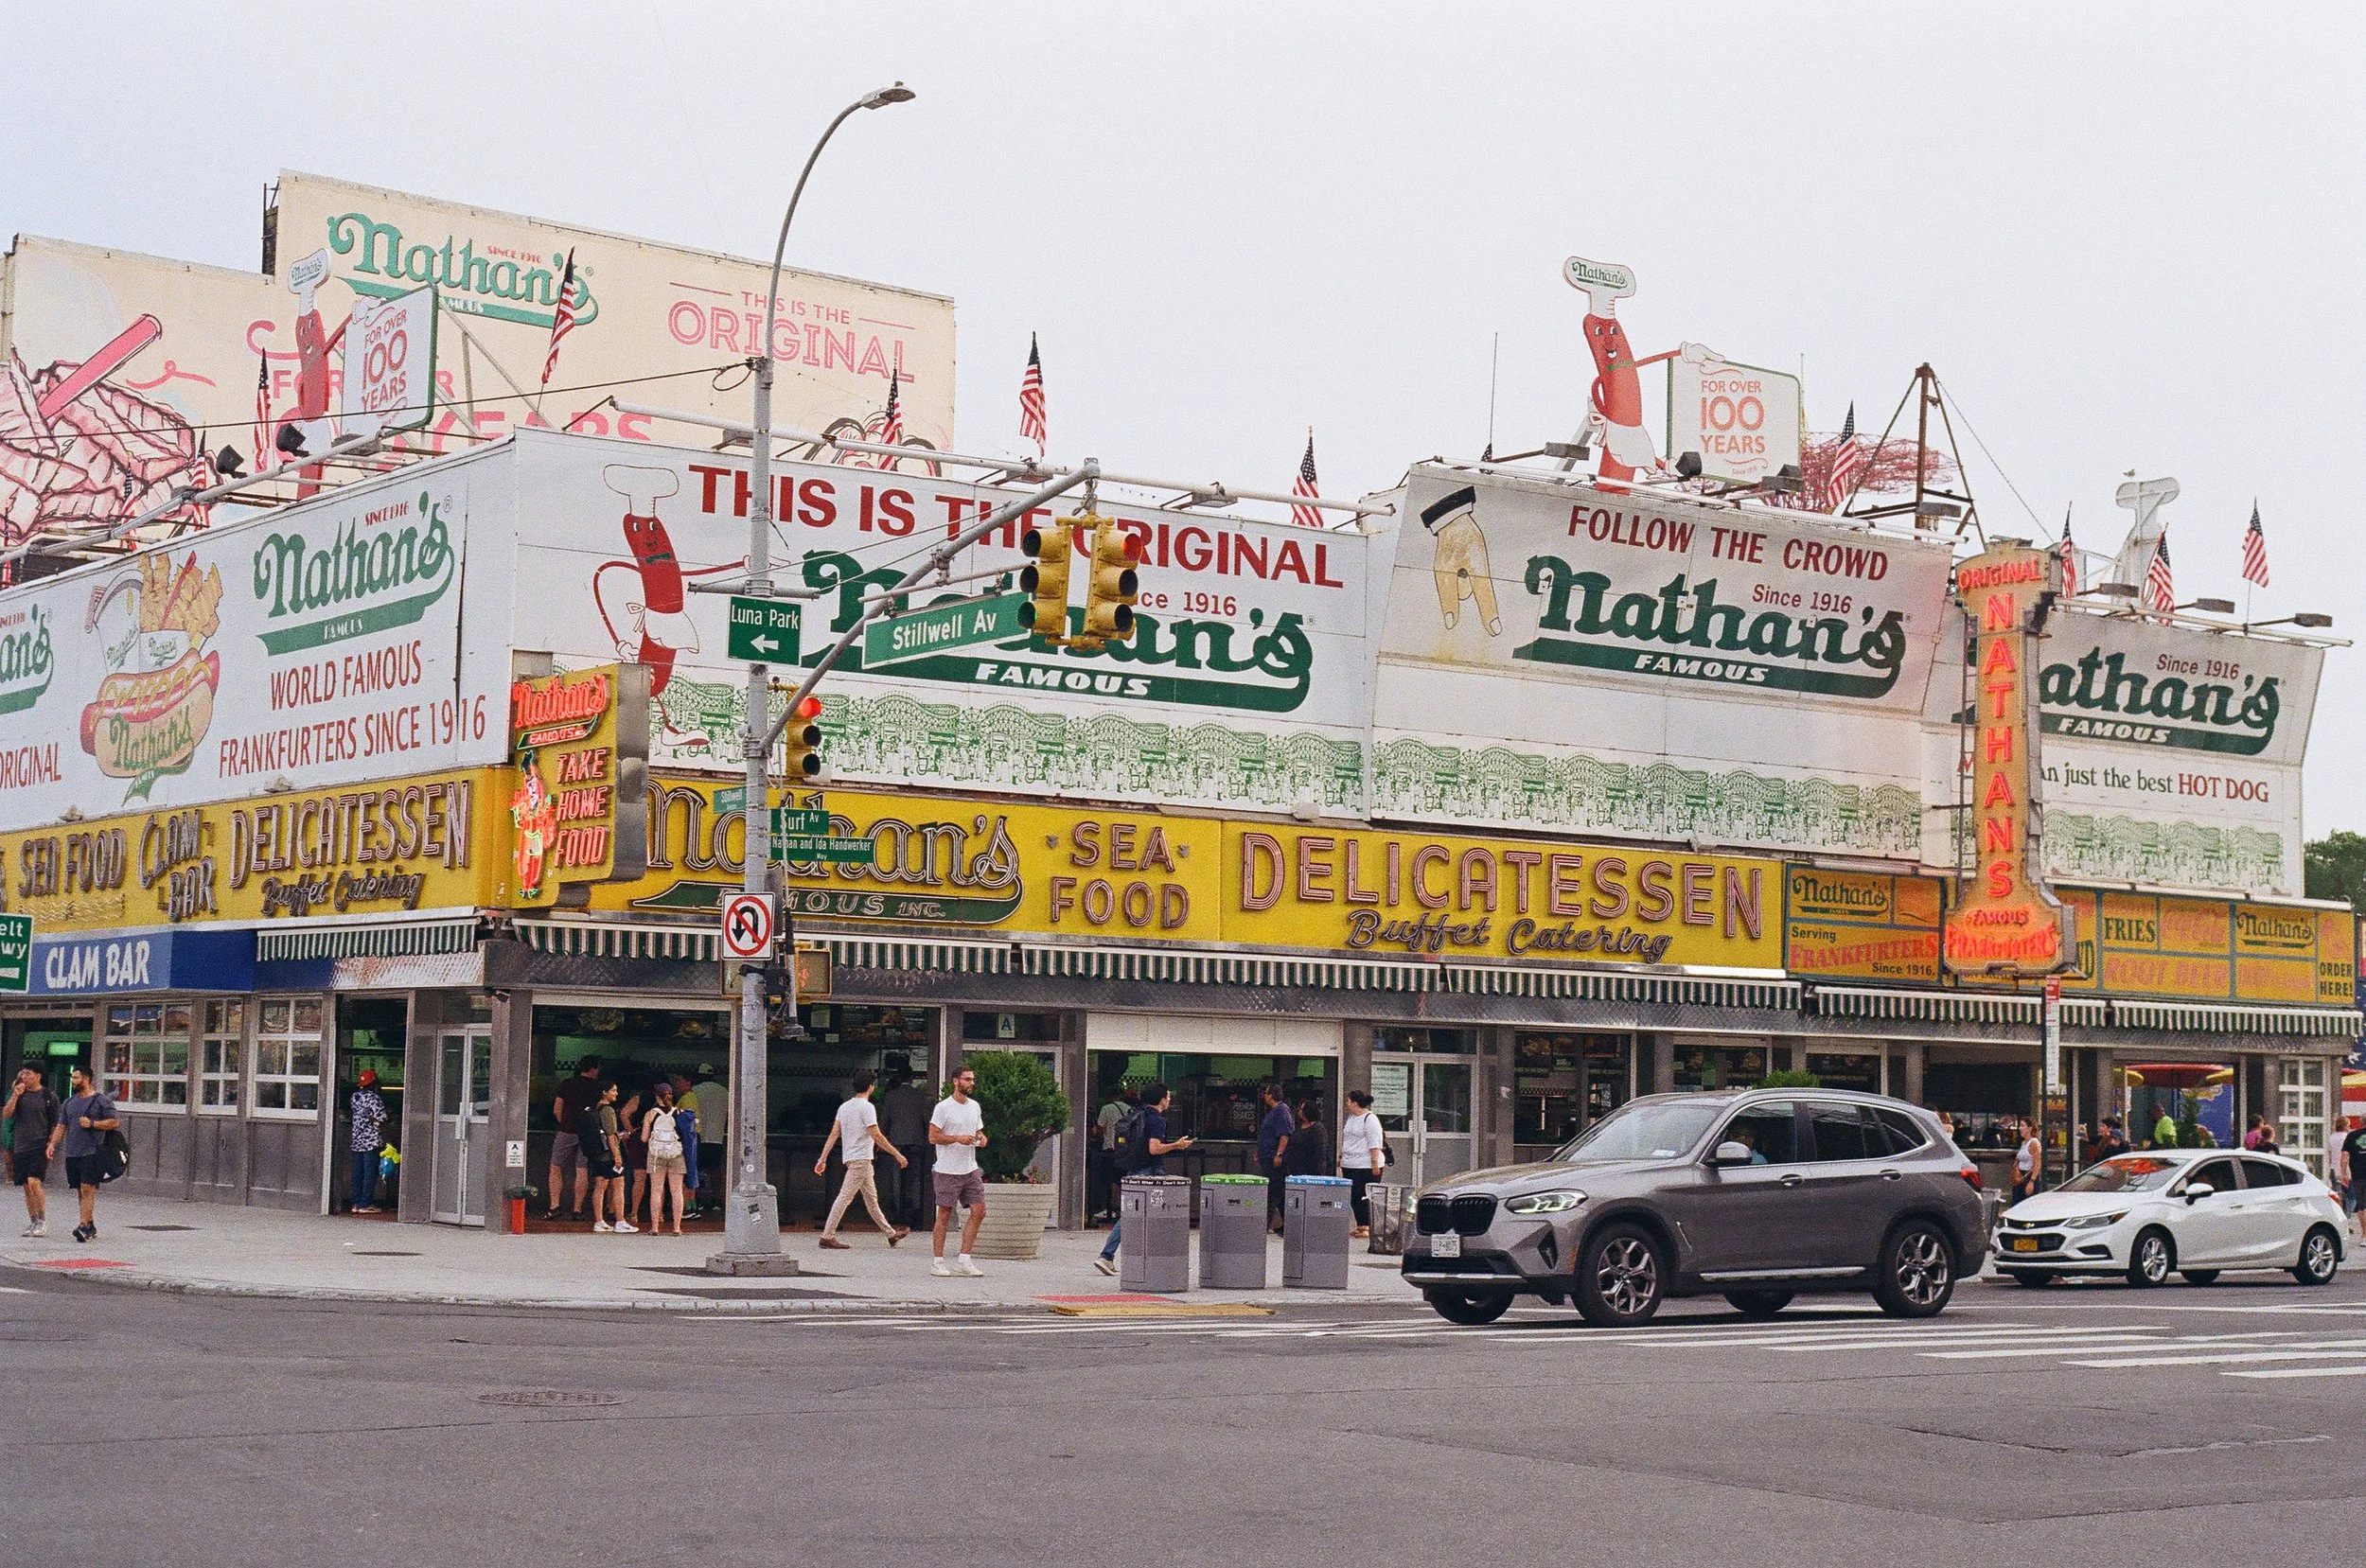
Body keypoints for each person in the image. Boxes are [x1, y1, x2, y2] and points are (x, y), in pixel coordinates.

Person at [1095, 1082, 1193, 1277]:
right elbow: (1154, 1148)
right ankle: (1173, 1261)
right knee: (1162, 1216)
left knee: (1133, 1215)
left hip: (1133, 1170)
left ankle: (1108, 1256)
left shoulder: (1137, 1114)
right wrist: (1177, 1145)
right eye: (1168, 1096)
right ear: (1161, 1100)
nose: (1169, 1100)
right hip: (1150, 1173)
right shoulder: (1157, 1120)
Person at [815, 1069, 910, 1250]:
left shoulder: (844, 1107)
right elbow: (875, 1134)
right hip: (861, 1158)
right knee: (845, 1197)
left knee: (871, 1199)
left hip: (854, 1157)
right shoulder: (867, 1107)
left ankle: (891, 1234)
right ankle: (827, 1235)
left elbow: (834, 1134)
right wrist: (897, 1154)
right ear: (871, 1087)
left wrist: (822, 1158)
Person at [928, 1067, 989, 1277]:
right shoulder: (943, 1108)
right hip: (947, 1169)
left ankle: (964, 1258)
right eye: (967, 1079)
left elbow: (978, 1130)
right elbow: (933, 1136)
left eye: (973, 1079)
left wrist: (981, 1138)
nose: (971, 1083)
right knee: (944, 1213)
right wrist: (956, 1138)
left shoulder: (975, 1106)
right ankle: (938, 1261)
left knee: (979, 1211)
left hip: (970, 1168)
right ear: (956, 1081)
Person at [47, 1066, 117, 1244]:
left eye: (76, 1078)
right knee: (80, 1189)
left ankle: (83, 1226)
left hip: (92, 1151)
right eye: (73, 1078)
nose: (73, 1081)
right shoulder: (69, 1103)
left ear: (86, 1079)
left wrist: (92, 1124)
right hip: (73, 1152)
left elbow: (114, 1122)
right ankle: (89, 1223)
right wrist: (52, 1145)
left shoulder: (101, 1100)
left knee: (88, 1188)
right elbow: (61, 1126)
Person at [548, 1055, 604, 1221]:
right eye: (598, 1069)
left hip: (566, 1130)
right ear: (593, 1069)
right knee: (582, 1171)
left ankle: (554, 1206)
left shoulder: (567, 1084)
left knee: (555, 1166)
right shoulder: (598, 1088)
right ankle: (577, 1210)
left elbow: (557, 1109)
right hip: (588, 1133)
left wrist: (565, 1123)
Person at [5, 1068, 58, 1239]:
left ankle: (42, 1221)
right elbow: (6, 1114)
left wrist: (51, 1143)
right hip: (21, 1146)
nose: (24, 1077)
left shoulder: (48, 1096)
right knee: (27, 1187)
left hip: (40, 1146)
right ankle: (33, 1220)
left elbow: (56, 1123)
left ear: (38, 1076)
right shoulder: (19, 1094)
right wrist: (15, 1095)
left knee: (34, 1181)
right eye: (23, 1074)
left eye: (28, 1074)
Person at [877, 1070, 932, 1228]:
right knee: (915, 1179)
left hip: (897, 1143)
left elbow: (884, 1123)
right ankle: (914, 1213)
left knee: (897, 1178)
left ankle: (899, 1212)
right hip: (917, 1142)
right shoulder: (921, 1096)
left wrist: (883, 1138)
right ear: (911, 1078)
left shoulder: (890, 1096)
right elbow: (926, 1121)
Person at [584, 1081, 634, 1233]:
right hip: (609, 1156)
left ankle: (599, 1221)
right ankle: (620, 1220)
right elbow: (611, 1136)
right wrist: (617, 1156)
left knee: (599, 1187)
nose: (616, 1093)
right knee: (619, 1185)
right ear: (604, 1093)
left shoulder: (593, 1109)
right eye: (613, 1090)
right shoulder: (608, 1111)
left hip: (597, 1155)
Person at [642, 1081, 689, 1237]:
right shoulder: (679, 1112)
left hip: (656, 1155)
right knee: (676, 1191)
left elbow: (643, 1138)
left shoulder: (651, 1114)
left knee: (656, 1190)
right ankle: (676, 1227)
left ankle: (655, 1227)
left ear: (657, 1096)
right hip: (676, 1154)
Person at [1338, 1088, 1386, 1239]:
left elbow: (1375, 1142)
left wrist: (1374, 1163)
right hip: (1350, 1163)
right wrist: (1341, 1156)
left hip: (1365, 1164)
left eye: (1348, 1101)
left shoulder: (1370, 1119)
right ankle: (1360, 1225)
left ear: (1355, 1103)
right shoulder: (1352, 1118)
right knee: (1354, 1196)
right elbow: (1348, 1139)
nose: (1347, 1104)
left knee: (1364, 1196)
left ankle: (1367, 1225)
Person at [347, 1069, 390, 1214]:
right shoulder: (374, 1098)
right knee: (369, 1173)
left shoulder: (354, 1097)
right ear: (374, 1083)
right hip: (371, 1141)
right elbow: (382, 1118)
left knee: (357, 1173)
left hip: (357, 1140)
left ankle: (356, 1203)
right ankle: (366, 1204)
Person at [1256, 1082, 1296, 1233]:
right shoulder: (1273, 1112)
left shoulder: (1281, 1111)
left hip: (1275, 1159)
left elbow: (1284, 1135)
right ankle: (1289, 1223)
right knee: (1279, 1193)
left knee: (1273, 1191)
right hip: (1267, 1156)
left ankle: (1265, 1224)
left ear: (1271, 1095)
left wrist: (1279, 1154)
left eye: (1266, 1093)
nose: (1264, 1096)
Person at [689, 1065, 729, 1215]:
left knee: (696, 1169)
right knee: (715, 1170)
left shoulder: (695, 1091)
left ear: (699, 1075)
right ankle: (717, 1199)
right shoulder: (724, 1091)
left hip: (698, 1136)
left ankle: (697, 1199)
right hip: (716, 1137)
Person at [1090, 1086, 1132, 1224]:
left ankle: (1108, 1209)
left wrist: (1099, 1134)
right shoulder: (1129, 1109)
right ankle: (1124, 1207)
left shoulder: (1106, 1109)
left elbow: (1100, 1129)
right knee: (1122, 1181)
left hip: (1110, 1150)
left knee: (1107, 1180)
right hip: (1125, 1151)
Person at [668, 1072, 701, 1216]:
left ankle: (688, 1208)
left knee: (685, 1173)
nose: (677, 1084)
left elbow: (685, 1121)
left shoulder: (687, 1099)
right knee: (690, 1172)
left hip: (688, 1139)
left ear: (688, 1083)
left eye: (680, 1081)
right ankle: (692, 1207)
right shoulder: (690, 1097)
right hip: (692, 1138)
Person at [1282, 1098, 1331, 1186]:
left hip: (1309, 1171)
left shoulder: (1317, 1128)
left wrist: (1316, 1171)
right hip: (1295, 1170)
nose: (1299, 1112)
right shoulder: (1298, 1126)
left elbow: (1320, 1152)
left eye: (1301, 1109)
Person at [2339, 1117, 2366, 1241]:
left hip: (2358, 1174)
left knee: (2362, 1206)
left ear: (2361, 1123)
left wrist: (2343, 1173)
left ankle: (2365, 1235)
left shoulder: (2352, 1135)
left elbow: (2344, 1155)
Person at [2012, 1119, 2041, 1202]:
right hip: (2020, 1177)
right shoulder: (2023, 1143)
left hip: (2029, 1176)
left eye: (2022, 1125)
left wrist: (2032, 1181)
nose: (2020, 1128)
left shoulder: (2034, 1143)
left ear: (2030, 1128)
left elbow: (2037, 1164)